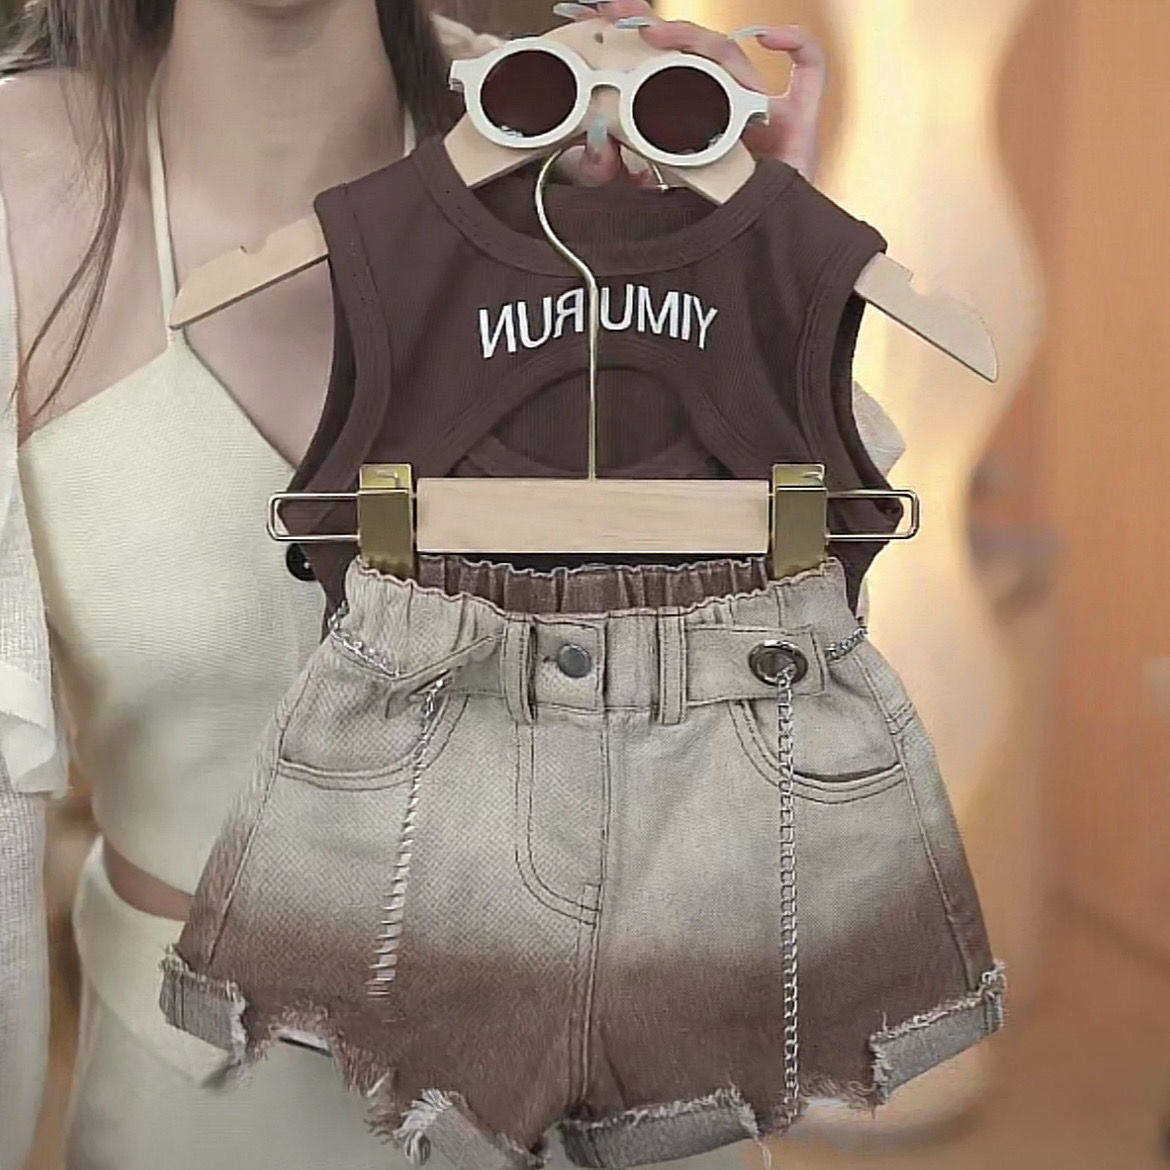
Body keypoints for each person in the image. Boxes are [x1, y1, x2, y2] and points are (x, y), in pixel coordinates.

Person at [0, 1, 842, 1167]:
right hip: (201, 1112)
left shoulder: (590, 137)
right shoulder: (19, 185)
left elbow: (773, 725)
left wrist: (755, 295)